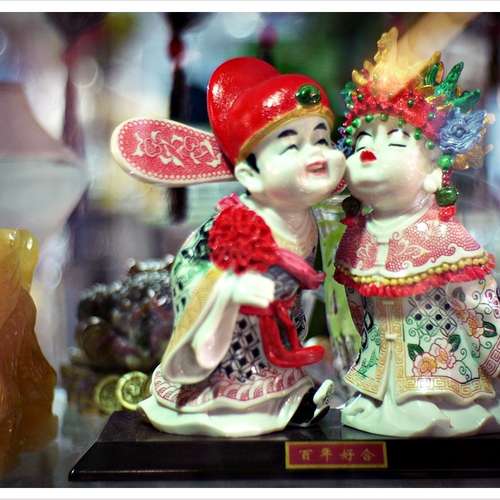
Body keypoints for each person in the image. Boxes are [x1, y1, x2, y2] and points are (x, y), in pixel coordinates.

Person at [111, 57, 346, 437]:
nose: (317, 153)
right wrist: (228, 290)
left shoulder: (307, 218)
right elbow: (190, 272)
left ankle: (291, 400)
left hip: (278, 349)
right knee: (233, 393)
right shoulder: (234, 226)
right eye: (292, 146)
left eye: (321, 139)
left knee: (285, 388)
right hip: (227, 353)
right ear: (249, 173)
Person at [334, 28, 500, 437]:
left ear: (433, 172)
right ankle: (381, 398)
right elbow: (358, 310)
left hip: (439, 373)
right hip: (376, 376)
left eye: (395, 140)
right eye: (361, 140)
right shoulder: (356, 237)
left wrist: (493, 363)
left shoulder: (445, 240)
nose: (368, 151)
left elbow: (479, 306)